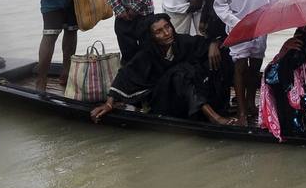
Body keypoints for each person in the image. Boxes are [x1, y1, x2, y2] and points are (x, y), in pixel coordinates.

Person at [89, 14, 235, 126]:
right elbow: (124, 76)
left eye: (167, 27)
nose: (166, 33)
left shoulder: (182, 42)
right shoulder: (146, 55)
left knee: (220, 55)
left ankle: (219, 107)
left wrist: (214, 44)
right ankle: (213, 117)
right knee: (181, 72)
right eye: (159, 31)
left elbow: (203, 43)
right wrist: (109, 103)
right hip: (163, 102)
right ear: (151, 37)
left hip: (185, 99)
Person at [212, 0, 277, 126]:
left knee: (256, 64)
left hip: (261, 24)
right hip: (238, 28)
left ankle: (251, 103)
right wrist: (237, 23)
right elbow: (220, 6)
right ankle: (241, 112)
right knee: (239, 67)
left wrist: (273, 14)